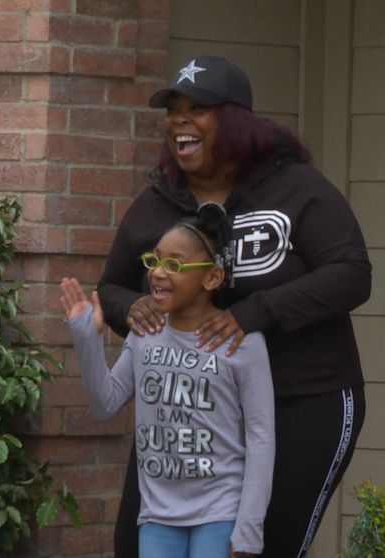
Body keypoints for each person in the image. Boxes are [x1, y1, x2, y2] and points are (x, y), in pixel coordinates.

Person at [98, 56, 372, 558]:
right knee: (131, 548)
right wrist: (132, 306)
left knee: (263, 548)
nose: (179, 120)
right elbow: (111, 286)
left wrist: (254, 313)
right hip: (187, 417)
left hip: (303, 398)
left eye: (196, 108)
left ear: (237, 121)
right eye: (172, 109)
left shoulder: (297, 189)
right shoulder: (158, 203)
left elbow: (351, 274)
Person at [62, 203, 275, 558]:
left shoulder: (243, 344)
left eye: (174, 265)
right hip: (157, 516)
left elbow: (261, 436)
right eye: (155, 261)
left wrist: (249, 531)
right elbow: (105, 404)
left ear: (212, 278)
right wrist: (87, 336)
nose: (157, 274)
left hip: (220, 512)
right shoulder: (146, 332)